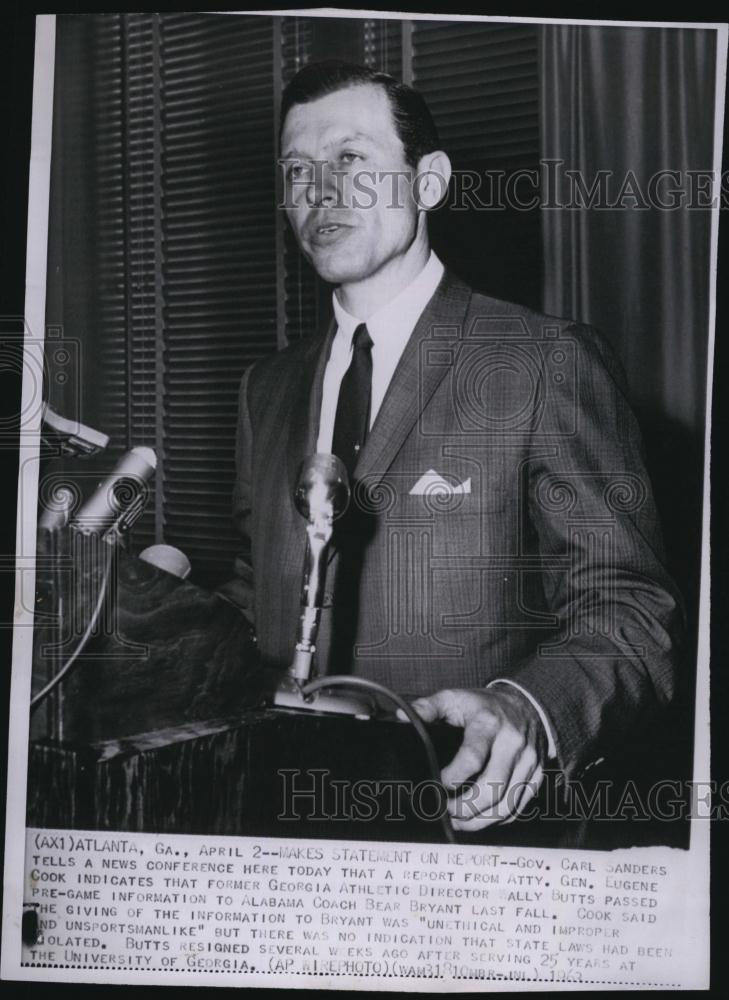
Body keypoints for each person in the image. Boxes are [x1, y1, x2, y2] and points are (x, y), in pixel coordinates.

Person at [218, 60, 684, 834]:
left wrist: (527, 710)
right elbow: (259, 592)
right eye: (297, 169)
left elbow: (632, 613)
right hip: (285, 825)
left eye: (350, 160)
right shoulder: (263, 390)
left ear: (428, 182)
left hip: (467, 829)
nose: (319, 193)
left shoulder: (542, 363)